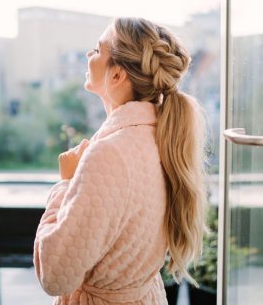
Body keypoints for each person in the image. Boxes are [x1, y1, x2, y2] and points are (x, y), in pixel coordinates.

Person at [33, 17, 208, 305]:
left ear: (117, 75)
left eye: (98, 50)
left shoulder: (108, 155)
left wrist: (65, 185)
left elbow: (54, 276)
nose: (89, 56)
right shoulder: (163, 138)